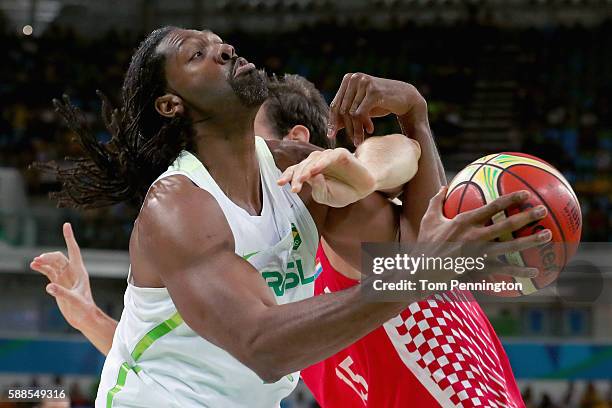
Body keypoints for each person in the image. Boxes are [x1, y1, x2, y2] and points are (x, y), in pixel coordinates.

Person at [33, 27, 549, 407]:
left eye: (220, 43)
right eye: (199, 54)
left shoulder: (287, 169)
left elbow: (415, 239)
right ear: (171, 104)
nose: (225, 49)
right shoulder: (178, 206)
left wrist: (411, 118)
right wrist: (420, 266)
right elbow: (264, 346)